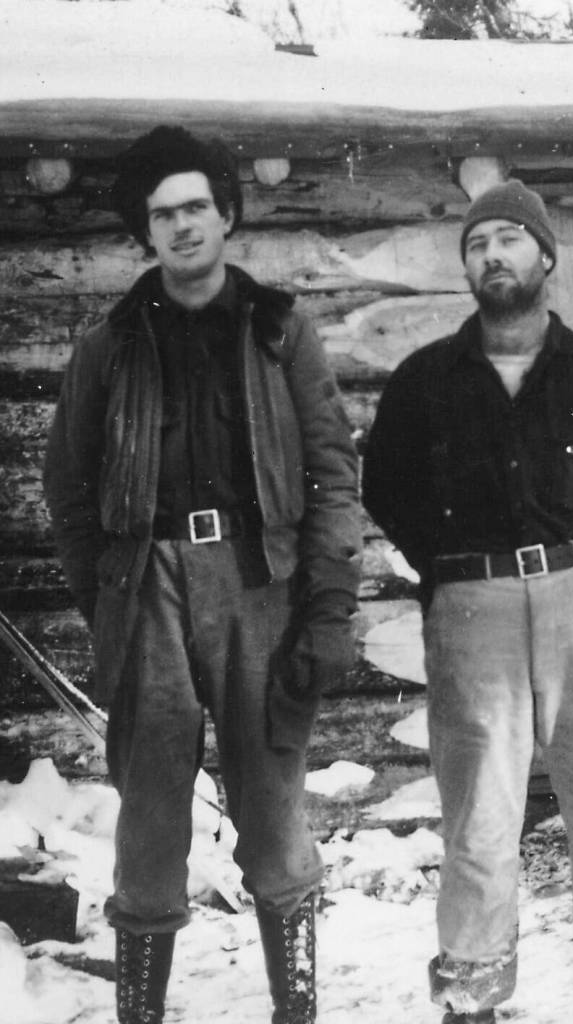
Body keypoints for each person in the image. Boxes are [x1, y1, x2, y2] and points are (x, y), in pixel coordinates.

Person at [43, 125, 361, 1024]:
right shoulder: (109, 345)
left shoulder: (278, 333)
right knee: (149, 811)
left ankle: (295, 1009)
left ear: (227, 216)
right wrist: (105, 596)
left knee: (271, 801)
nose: (181, 226)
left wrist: (329, 601)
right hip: (146, 586)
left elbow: (332, 471)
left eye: (195, 208)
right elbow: (66, 486)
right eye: (161, 214)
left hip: (258, 583)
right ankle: (141, 1013)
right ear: (144, 232)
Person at [362, 180, 573, 1024]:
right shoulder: (427, 381)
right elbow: (387, 488)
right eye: (476, 245)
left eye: (508, 239)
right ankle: (471, 994)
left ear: (544, 255)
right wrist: (456, 575)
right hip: (474, 614)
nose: (492, 255)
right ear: (467, 268)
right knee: (479, 820)